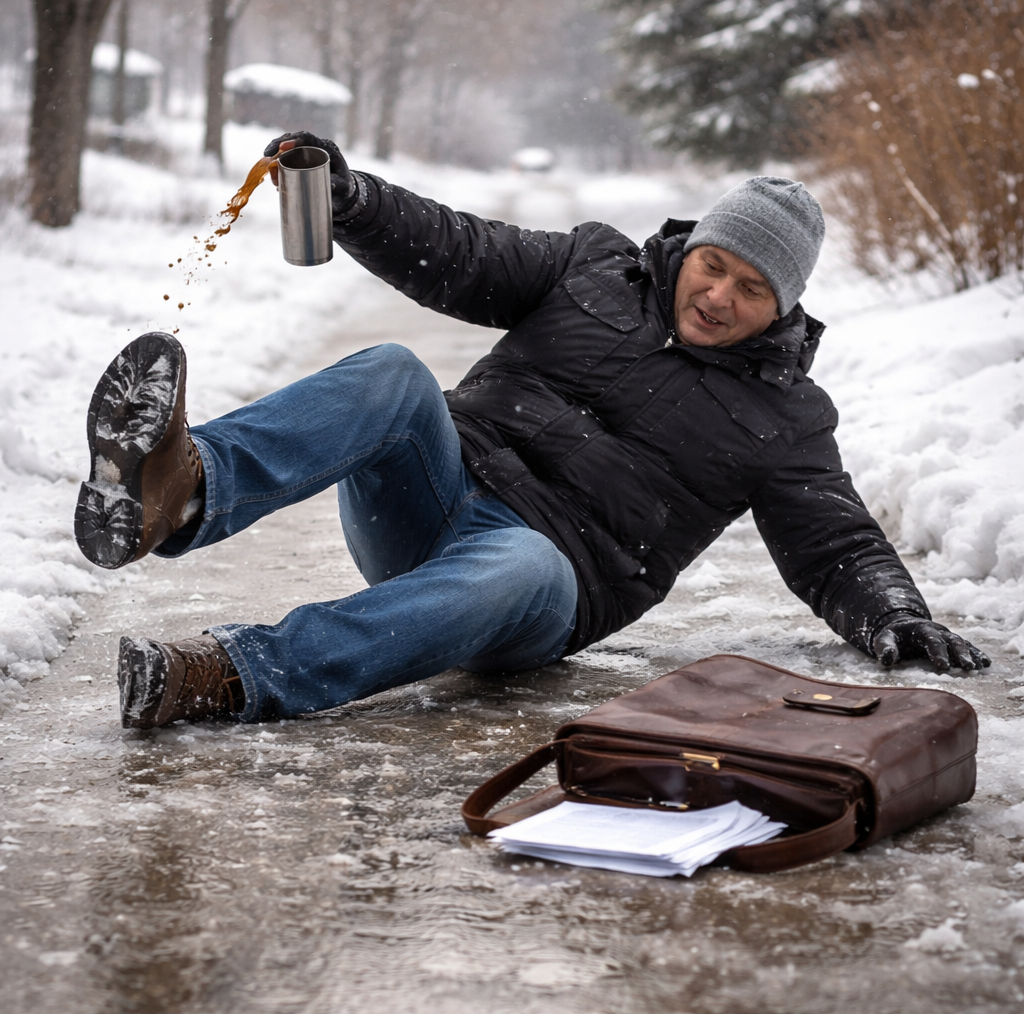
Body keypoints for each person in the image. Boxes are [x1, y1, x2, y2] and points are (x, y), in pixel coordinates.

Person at [74, 133, 989, 728]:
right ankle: (179, 490)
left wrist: (897, 615)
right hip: (433, 500)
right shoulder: (596, 266)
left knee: (520, 562)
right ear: (691, 247)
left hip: (544, 583)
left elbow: (834, 543)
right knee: (393, 371)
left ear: (784, 305)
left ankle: (230, 675)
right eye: (714, 265)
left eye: (752, 290)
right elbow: (459, 252)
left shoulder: (788, 415)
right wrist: (351, 199)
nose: (719, 296)